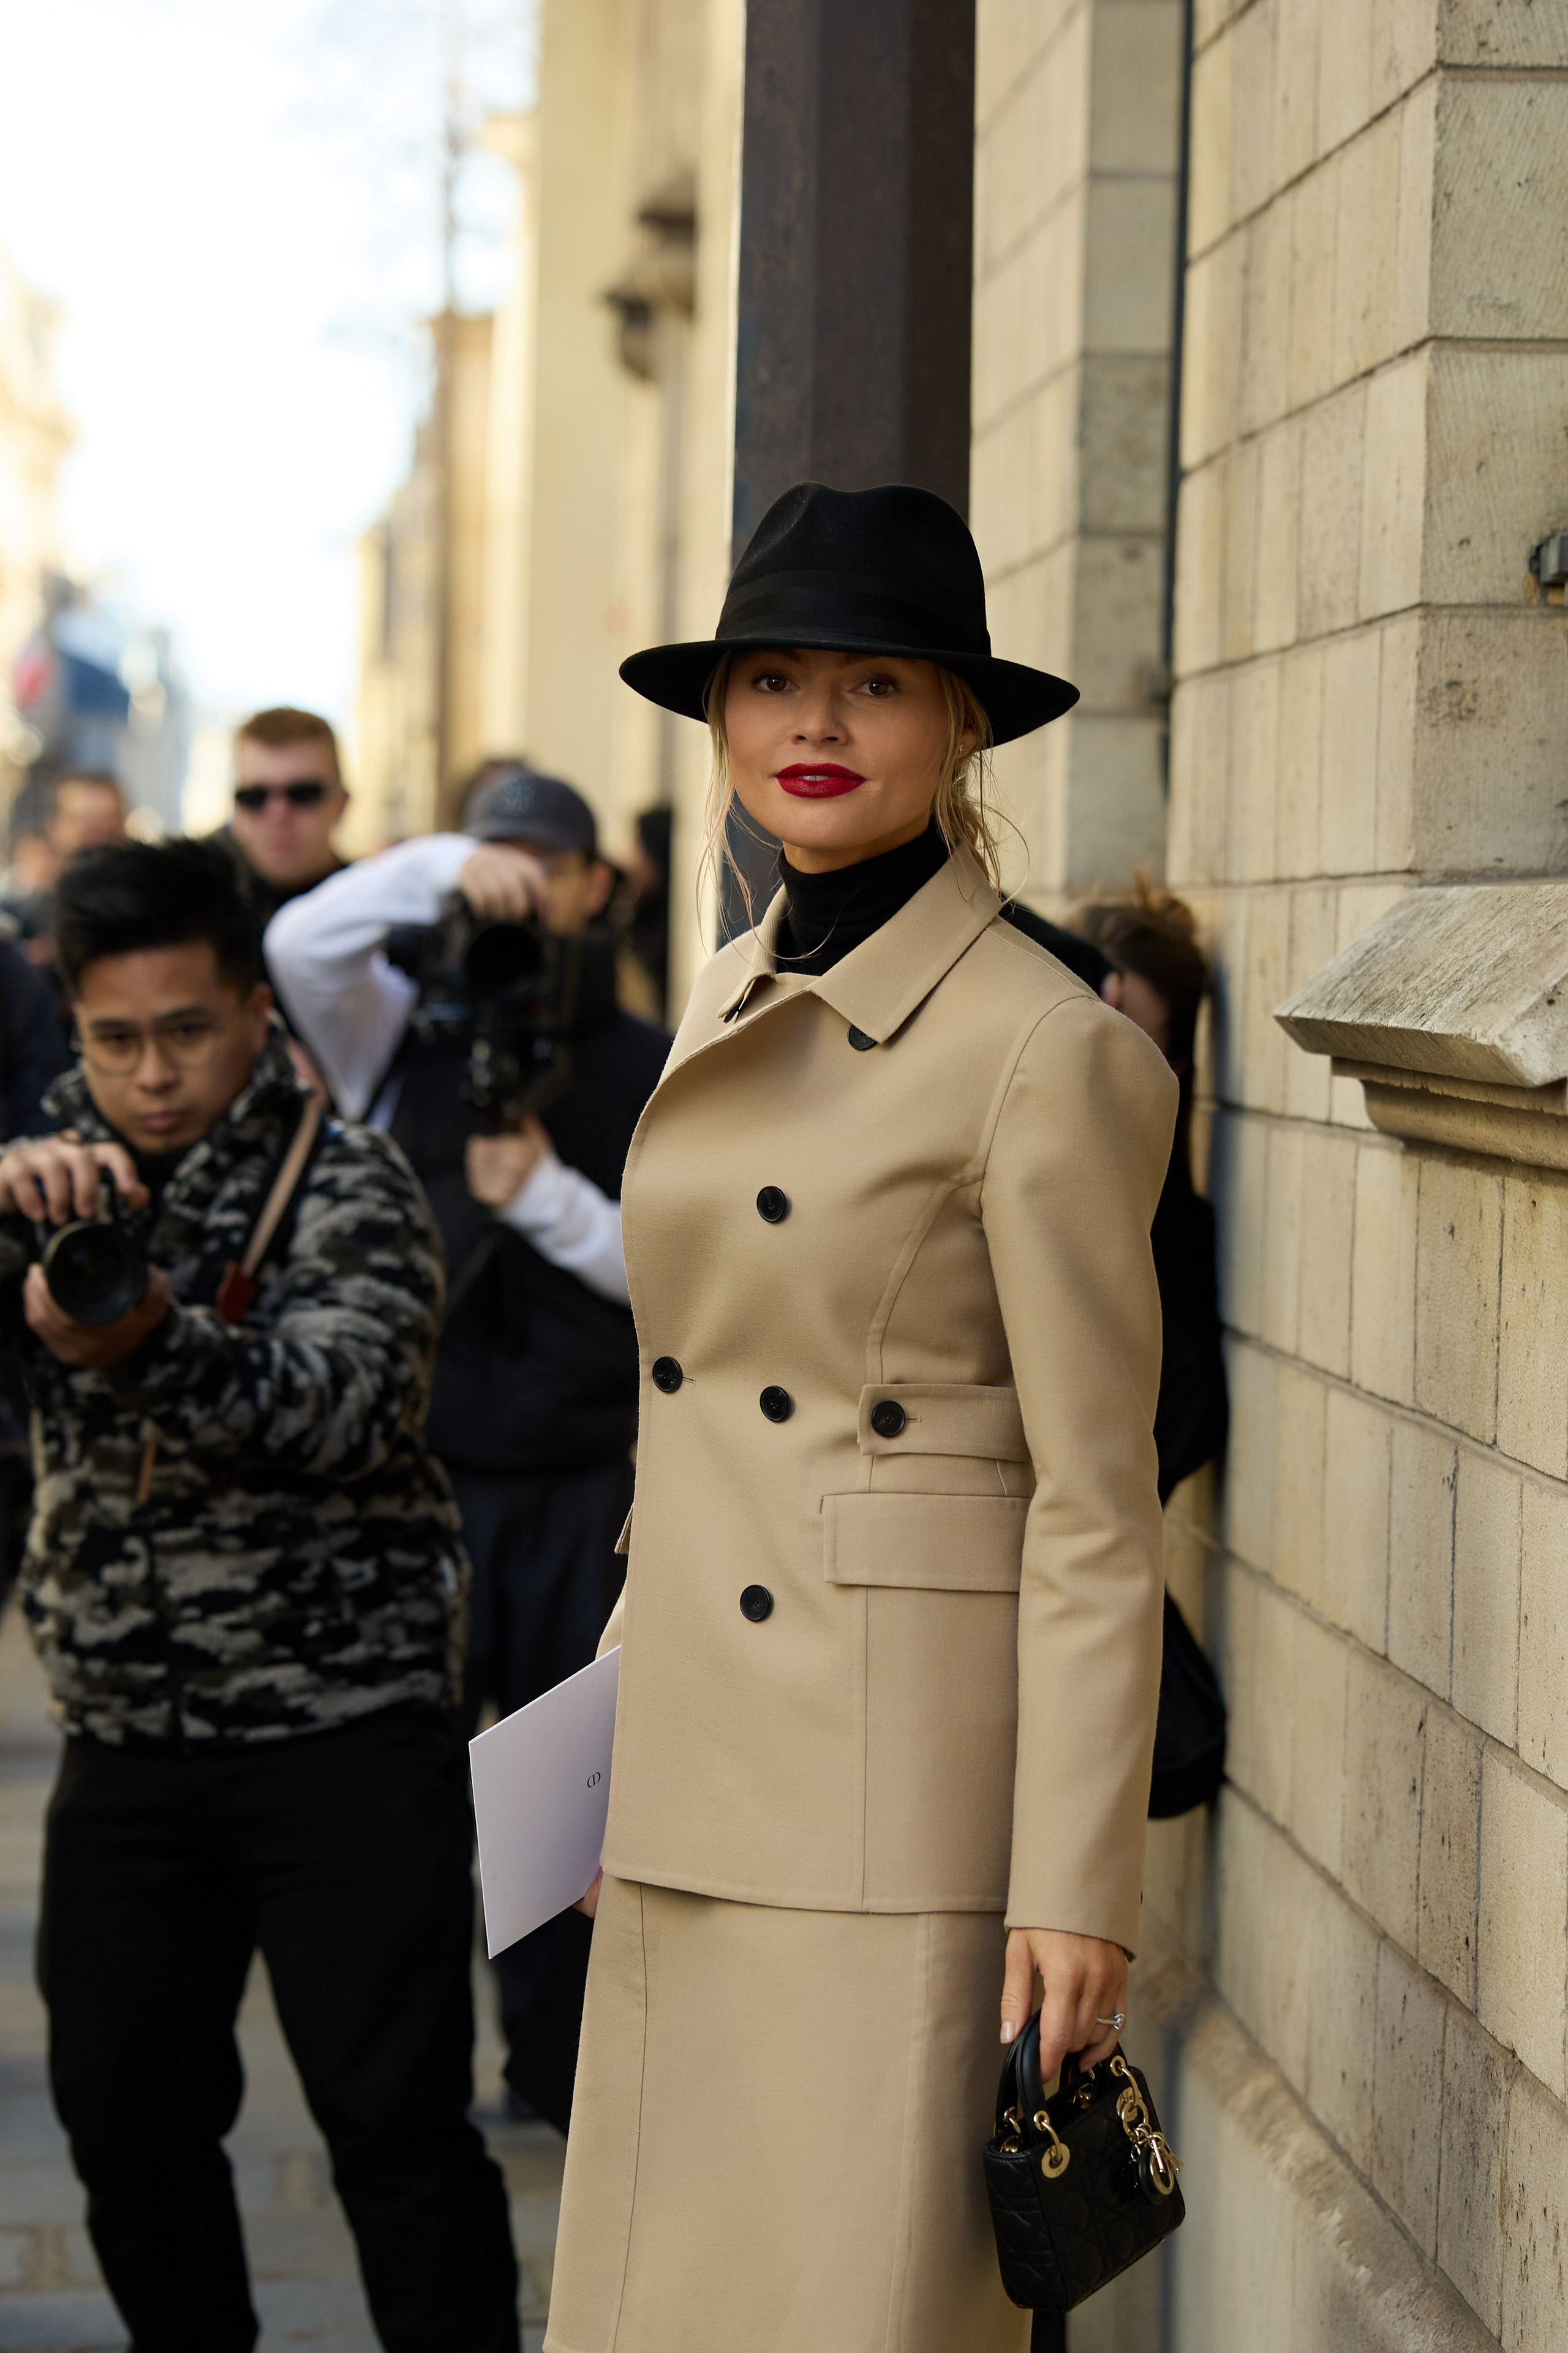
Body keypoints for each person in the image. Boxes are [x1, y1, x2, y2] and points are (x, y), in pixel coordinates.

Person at [544, 482, 1177, 2353]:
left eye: (874, 682)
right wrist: (612, 1725)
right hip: (695, 1765)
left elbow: (1092, 1501)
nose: (815, 725)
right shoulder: (736, 986)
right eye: (773, 678)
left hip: (897, 1809)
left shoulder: (1048, 1047)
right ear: (722, 720)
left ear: (958, 722)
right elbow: (690, 1415)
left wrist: (1077, 1885)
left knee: (843, 2309)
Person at [9, 838, 519, 2353]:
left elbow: (344, 1403)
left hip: (339, 1734)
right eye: (115, 1039)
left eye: (186, 1031)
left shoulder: (344, 1177)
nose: (152, 1074)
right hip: (125, 1737)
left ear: (254, 1014)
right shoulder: (44, 1181)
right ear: (73, 1028)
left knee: (396, 2128)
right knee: (122, 2119)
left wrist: (145, 1334)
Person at [264, 764, 670, 2129]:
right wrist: (446, 868)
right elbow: (294, 940)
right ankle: (405, 2087)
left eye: (537, 865)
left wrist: (545, 1198)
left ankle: (558, 2079)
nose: (515, 886)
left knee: (562, 1808)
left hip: (578, 1484)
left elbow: (692, 1280)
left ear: (592, 885)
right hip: (421, 1484)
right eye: (497, 859)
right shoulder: (389, 1023)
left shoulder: (645, 1056)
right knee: (402, 1801)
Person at [225, 705, 350, 926]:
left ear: (341, 804)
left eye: (303, 794)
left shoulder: (378, 911)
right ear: (238, 808)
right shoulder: (199, 917)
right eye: (255, 797)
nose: (278, 814)